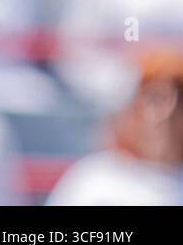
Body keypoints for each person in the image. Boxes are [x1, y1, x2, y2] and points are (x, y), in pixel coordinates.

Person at [47, 49, 183, 206]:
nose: (166, 114)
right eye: (155, 98)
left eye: (180, 101)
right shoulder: (94, 180)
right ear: (130, 109)